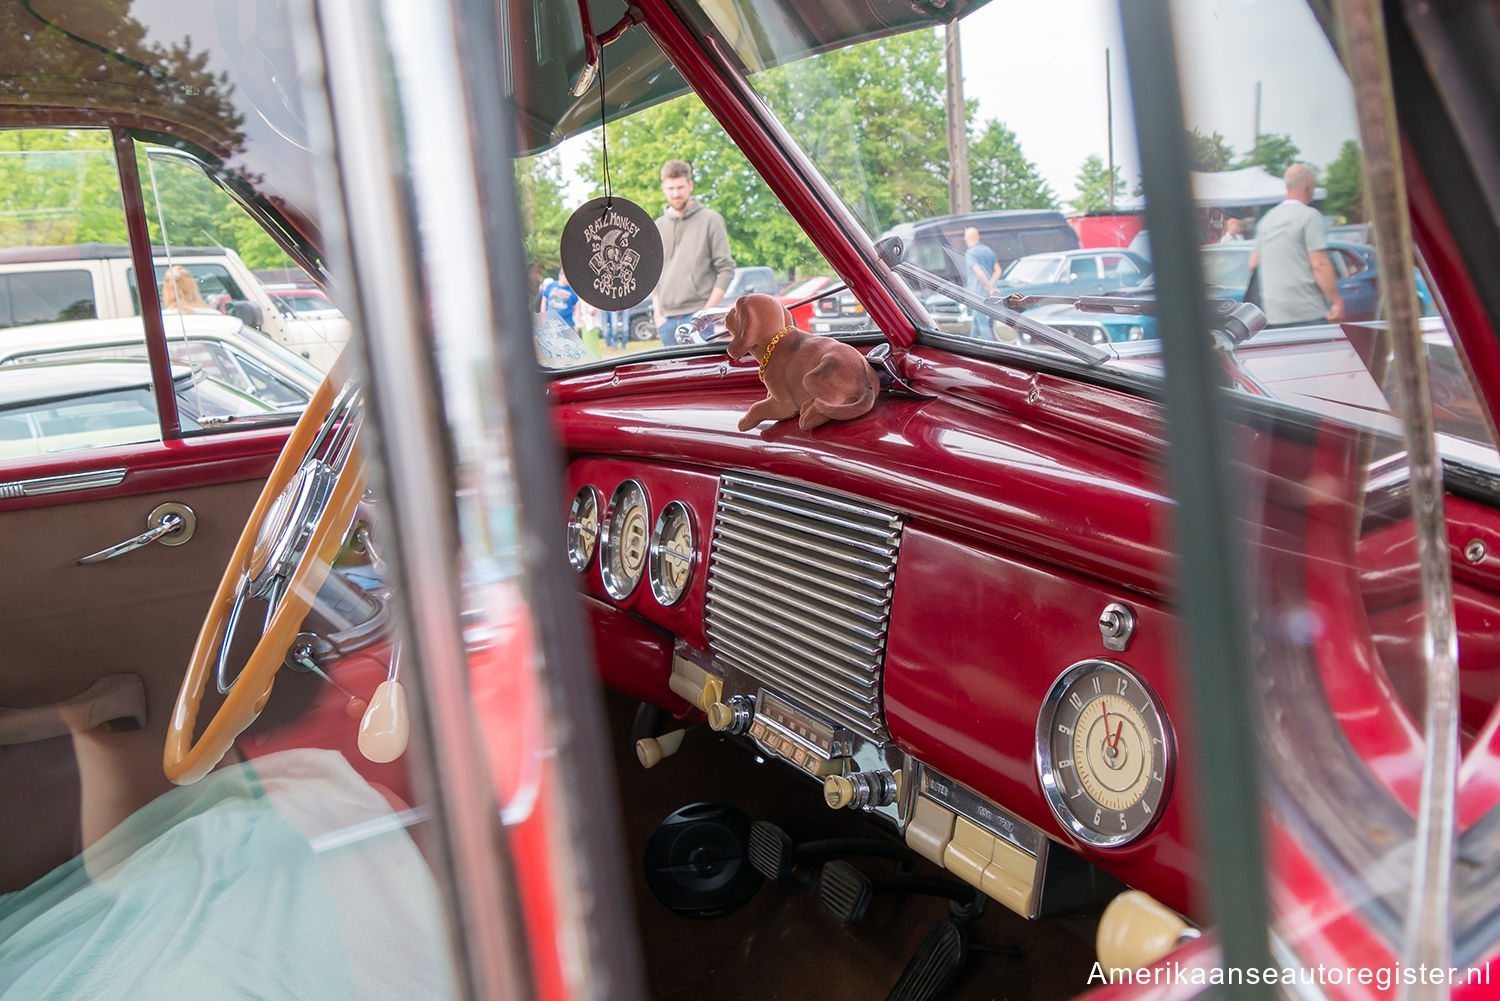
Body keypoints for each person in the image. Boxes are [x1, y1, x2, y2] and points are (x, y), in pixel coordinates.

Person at [1249, 164, 1345, 326]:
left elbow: (1253, 264)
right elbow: (1319, 264)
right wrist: (1337, 301)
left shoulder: (1266, 221)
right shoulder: (1310, 216)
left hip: (1273, 314)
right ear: (1308, 184)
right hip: (1308, 312)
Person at [652, 160, 734, 346]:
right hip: (666, 321)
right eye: (671, 188)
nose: (676, 193)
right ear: (664, 188)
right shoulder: (658, 225)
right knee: (672, 374)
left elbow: (726, 269)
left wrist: (705, 314)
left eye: (680, 187)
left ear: (690, 186)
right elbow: (654, 274)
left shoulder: (711, 220)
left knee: (703, 373)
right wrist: (658, 314)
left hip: (698, 319)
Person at [962, 226, 1001, 341]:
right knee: (977, 319)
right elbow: (998, 270)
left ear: (967, 239)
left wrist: (987, 286)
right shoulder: (988, 250)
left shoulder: (970, 253)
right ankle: (971, 341)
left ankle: (991, 346)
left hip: (977, 292)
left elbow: (978, 272)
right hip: (987, 291)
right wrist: (991, 284)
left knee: (983, 323)